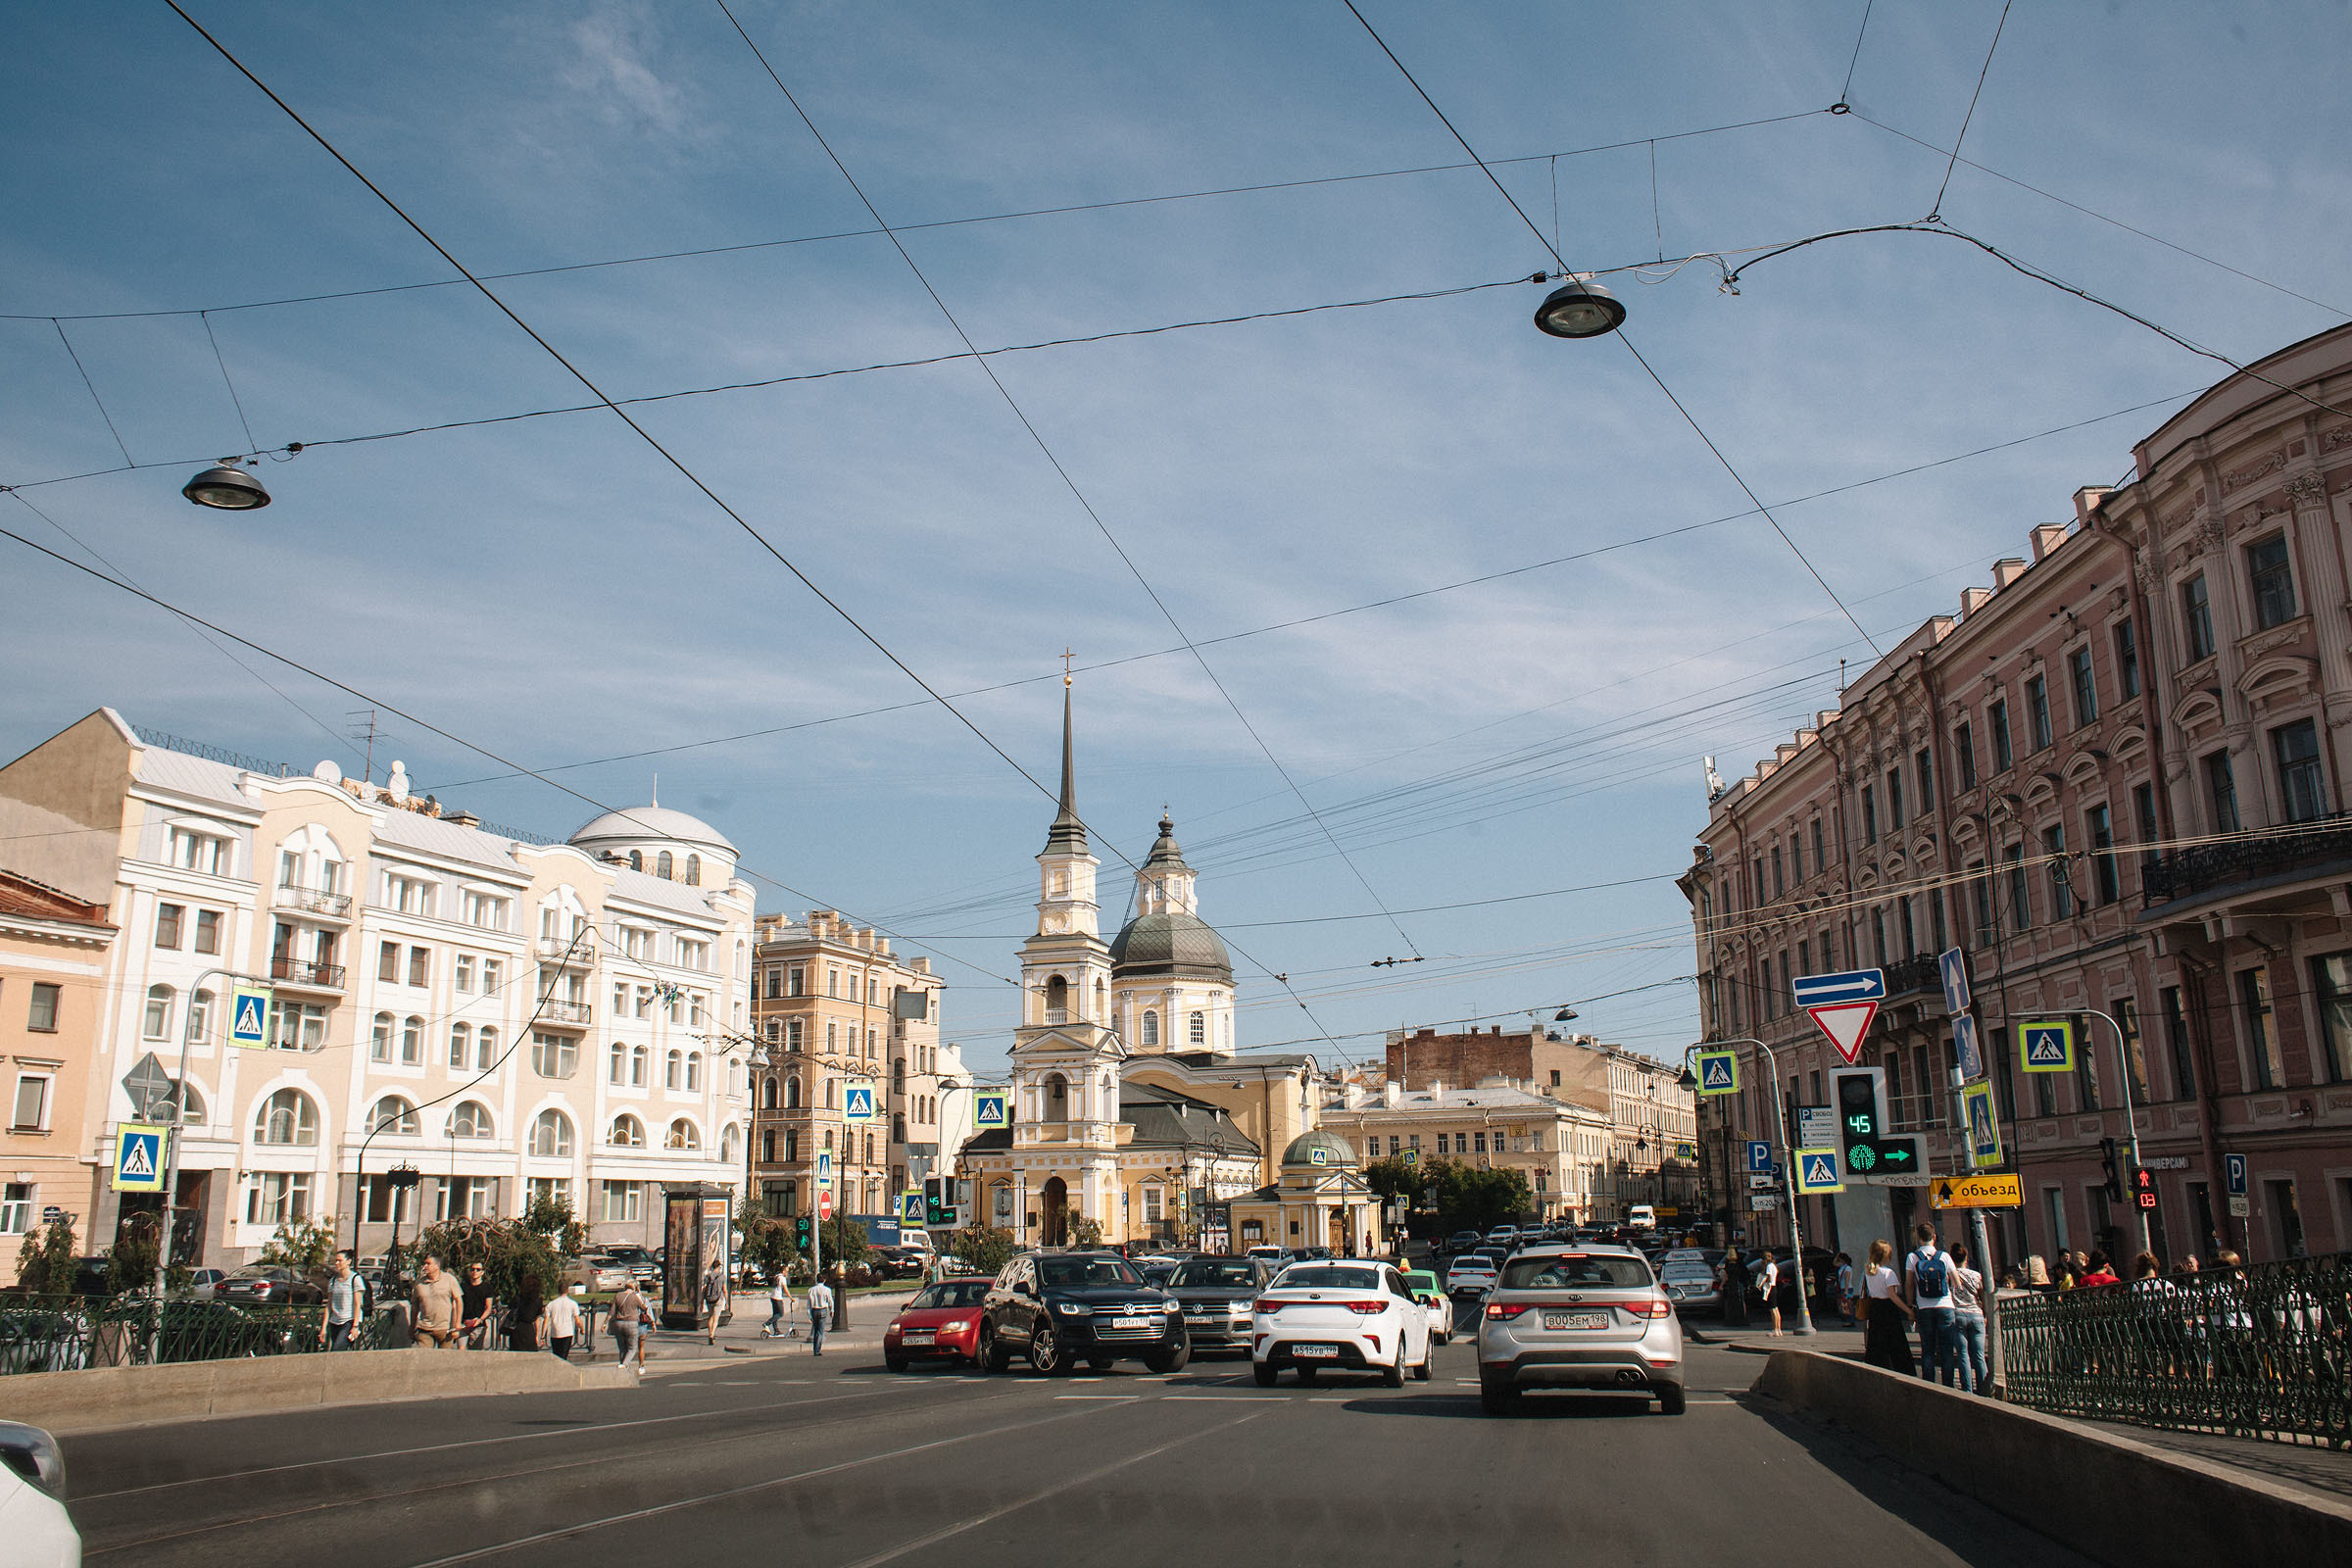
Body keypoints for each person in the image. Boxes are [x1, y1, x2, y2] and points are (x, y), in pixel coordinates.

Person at [1905, 1223, 1960, 1386]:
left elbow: (1909, 1283)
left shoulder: (1912, 1257)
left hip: (1924, 1307)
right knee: (1947, 1349)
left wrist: (1910, 1305)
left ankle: (1929, 1384)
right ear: (1934, 1237)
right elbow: (1957, 1282)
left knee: (1928, 1348)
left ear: (1919, 1238)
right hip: (1946, 1306)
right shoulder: (1944, 1256)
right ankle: (1948, 1384)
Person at [1860, 1239, 1915, 1374]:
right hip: (1888, 1308)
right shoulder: (1888, 1273)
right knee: (1896, 1341)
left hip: (1875, 1307)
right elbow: (1893, 1296)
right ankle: (1903, 1370)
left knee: (1877, 1341)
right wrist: (1908, 1310)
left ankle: (1877, 1367)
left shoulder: (1868, 1272)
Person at [1947, 1241, 1988, 1395]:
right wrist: (1984, 1315)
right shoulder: (1976, 1275)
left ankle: (1967, 1390)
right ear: (1966, 1258)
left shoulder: (1950, 1275)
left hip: (1958, 1314)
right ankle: (1984, 1389)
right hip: (1976, 1315)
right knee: (1979, 1355)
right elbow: (1982, 1296)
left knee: (1963, 1354)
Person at [412, 1254, 465, 1348]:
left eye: (428, 1264)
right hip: (425, 1328)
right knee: (425, 1359)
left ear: (437, 1265)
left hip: (445, 1329)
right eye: (424, 1264)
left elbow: (458, 1301)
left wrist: (457, 1324)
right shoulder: (419, 1283)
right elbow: (415, 1306)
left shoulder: (449, 1279)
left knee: (445, 1360)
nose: (425, 1266)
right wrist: (412, 1326)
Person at [318, 1250, 367, 1349]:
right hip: (335, 1321)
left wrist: (355, 1326)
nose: (336, 1263)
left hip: (349, 1320)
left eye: (340, 1260)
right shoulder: (333, 1281)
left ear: (348, 1261)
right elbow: (329, 1305)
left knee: (337, 1348)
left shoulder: (355, 1279)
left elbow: (357, 1304)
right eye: (336, 1261)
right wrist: (323, 1328)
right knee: (338, 1351)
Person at [610, 1279, 652, 1371]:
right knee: (632, 1348)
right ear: (635, 1287)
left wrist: (605, 1324)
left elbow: (612, 1311)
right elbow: (644, 1308)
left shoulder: (618, 1295)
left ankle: (623, 1365)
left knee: (622, 1348)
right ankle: (624, 1365)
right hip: (632, 1324)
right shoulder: (635, 1296)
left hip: (619, 1323)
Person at [459, 1260, 498, 1350]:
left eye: (478, 1269)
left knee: (475, 1351)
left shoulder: (487, 1287)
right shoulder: (463, 1286)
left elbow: (488, 1307)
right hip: (464, 1323)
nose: (475, 1272)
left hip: (478, 1325)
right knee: (461, 1349)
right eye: (473, 1269)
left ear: (482, 1272)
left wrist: (480, 1320)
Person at [543, 1286, 583, 1361]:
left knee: (556, 1355)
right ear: (567, 1291)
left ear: (558, 1291)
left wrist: (542, 1336)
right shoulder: (572, 1303)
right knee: (564, 1355)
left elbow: (546, 1320)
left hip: (555, 1333)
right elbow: (577, 1320)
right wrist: (582, 1329)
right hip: (567, 1332)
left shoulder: (551, 1304)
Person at [507, 1273, 545, 1353]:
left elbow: (510, 1309)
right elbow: (537, 1319)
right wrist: (538, 1335)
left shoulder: (518, 1298)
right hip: (529, 1330)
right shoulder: (538, 1301)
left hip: (516, 1330)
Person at [806, 1273, 835, 1357]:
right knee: (820, 1331)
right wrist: (831, 1310)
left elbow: (809, 1303)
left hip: (814, 1310)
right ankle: (817, 1350)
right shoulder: (827, 1290)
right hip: (823, 1310)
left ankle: (815, 1348)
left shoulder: (811, 1290)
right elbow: (830, 1301)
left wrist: (809, 1315)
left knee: (815, 1330)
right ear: (824, 1280)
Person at [1754, 1250, 1782, 1335]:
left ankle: (1775, 1329)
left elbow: (1768, 1277)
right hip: (1774, 1286)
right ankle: (1778, 1329)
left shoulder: (1769, 1266)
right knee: (1776, 1309)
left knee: (1772, 1310)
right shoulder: (1773, 1266)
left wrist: (1762, 1282)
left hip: (1770, 1288)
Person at [700, 1260, 727, 1346]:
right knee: (716, 1318)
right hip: (718, 1299)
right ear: (719, 1267)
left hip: (709, 1299)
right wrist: (727, 1302)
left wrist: (701, 1301)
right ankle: (712, 1334)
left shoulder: (708, 1276)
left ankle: (709, 1333)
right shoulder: (722, 1277)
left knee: (710, 1317)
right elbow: (725, 1290)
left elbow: (703, 1289)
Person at [762, 1268, 793, 1339]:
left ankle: (776, 1330)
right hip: (778, 1298)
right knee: (781, 1313)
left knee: (775, 1314)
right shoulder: (782, 1278)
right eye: (787, 1271)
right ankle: (767, 1323)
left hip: (773, 1297)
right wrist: (791, 1297)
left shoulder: (776, 1276)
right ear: (783, 1271)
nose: (787, 1273)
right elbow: (785, 1289)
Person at [1834, 1251, 1856, 1327]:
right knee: (1844, 1305)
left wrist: (1846, 1289)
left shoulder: (1847, 1268)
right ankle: (1848, 1321)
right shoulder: (1842, 1266)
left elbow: (1847, 1279)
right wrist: (1837, 1255)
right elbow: (1834, 1263)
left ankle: (1850, 1321)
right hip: (1843, 1288)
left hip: (1847, 1288)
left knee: (1848, 1305)